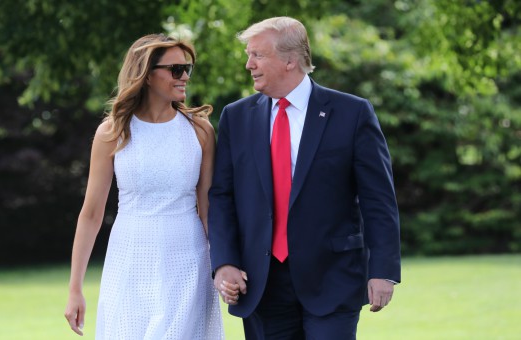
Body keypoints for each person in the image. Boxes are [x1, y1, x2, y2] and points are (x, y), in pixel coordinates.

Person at [208, 16, 401, 339]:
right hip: (261, 282)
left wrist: (383, 270)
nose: (248, 64)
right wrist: (224, 261)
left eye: (257, 55)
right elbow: (222, 196)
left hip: (333, 278)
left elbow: (378, 199)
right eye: (248, 55)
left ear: (290, 60)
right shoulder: (236, 117)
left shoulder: (352, 113)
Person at [64, 34, 224, 339]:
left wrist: (223, 265)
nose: (185, 76)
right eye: (176, 69)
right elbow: (91, 214)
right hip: (129, 257)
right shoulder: (113, 132)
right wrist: (75, 289)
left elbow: (208, 206)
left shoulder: (200, 130)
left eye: (187, 68)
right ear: (147, 74)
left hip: (189, 259)